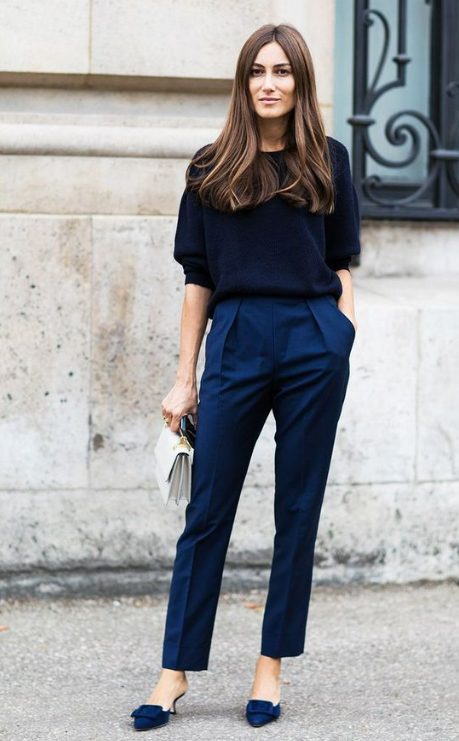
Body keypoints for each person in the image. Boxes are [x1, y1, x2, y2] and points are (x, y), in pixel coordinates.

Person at [130, 22, 360, 731]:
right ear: (243, 81)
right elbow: (197, 282)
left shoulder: (328, 160)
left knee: (296, 509)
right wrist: (183, 378)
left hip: (310, 340)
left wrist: (339, 338)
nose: (269, 82)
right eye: (258, 70)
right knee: (206, 514)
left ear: (299, 82)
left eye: (282, 71)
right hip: (234, 339)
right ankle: (172, 673)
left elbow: (343, 262)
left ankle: (270, 667)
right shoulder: (209, 168)